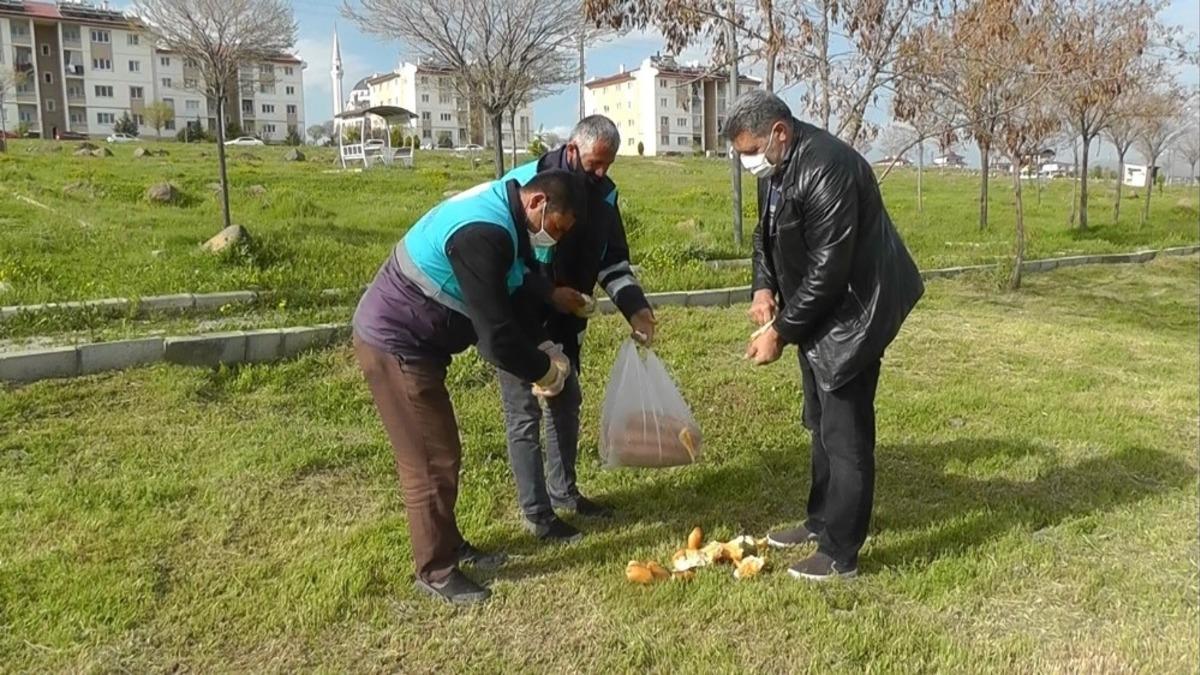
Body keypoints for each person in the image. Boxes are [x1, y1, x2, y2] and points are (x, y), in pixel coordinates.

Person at [352, 169, 586, 605]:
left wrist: (540, 347)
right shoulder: (485, 233)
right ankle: (435, 571)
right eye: (556, 228)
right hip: (395, 342)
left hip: (417, 343)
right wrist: (546, 372)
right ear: (537, 204)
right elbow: (495, 335)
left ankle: (450, 545)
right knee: (431, 459)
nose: (554, 239)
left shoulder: (509, 216)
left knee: (441, 453)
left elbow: (511, 296)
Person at [731, 89, 924, 581]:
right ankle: (820, 522)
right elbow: (765, 234)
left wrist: (781, 332)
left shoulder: (827, 167)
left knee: (846, 436)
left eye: (750, 150)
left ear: (780, 132)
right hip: (815, 313)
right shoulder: (776, 170)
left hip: (854, 314)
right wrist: (762, 288)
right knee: (818, 423)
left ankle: (841, 553)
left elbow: (829, 271)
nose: (747, 162)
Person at [497, 115, 656, 542]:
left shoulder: (604, 197)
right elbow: (507, 264)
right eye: (594, 163)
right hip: (518, 316)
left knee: (567, 399)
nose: (601, 173)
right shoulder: (527, 185)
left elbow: (613, 261)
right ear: (571, 151)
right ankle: (537, 515)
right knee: (524, 411)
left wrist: (635, 308)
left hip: (567, 320)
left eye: (609, 165)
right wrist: (547, 299)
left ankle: (564, 493)